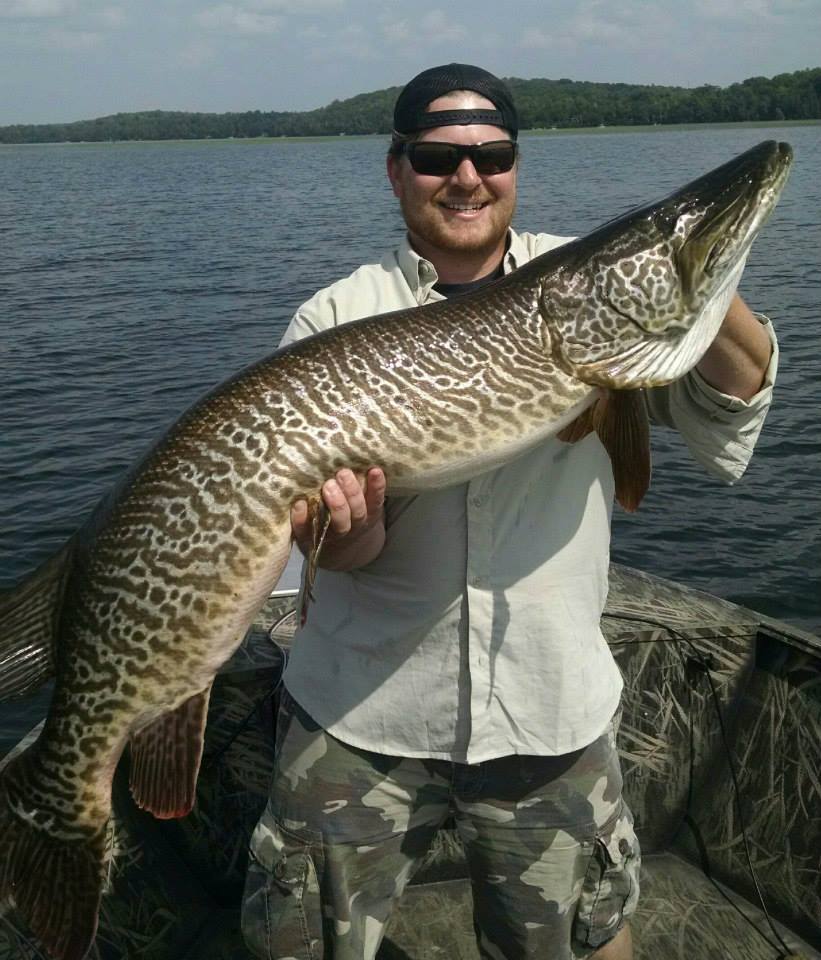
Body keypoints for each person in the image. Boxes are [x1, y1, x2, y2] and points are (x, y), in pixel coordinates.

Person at [241, 64, 778, 960]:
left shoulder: (584, 286)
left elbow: (736, 397)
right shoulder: (336, 316)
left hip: (549, 713)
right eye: (437, 156)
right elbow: (340, 550)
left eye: (491, 155)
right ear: (395, 168)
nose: (466, 176)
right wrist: (348, 531)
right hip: (362, 715)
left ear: (515, 166)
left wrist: (693, 278)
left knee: (579, 943)